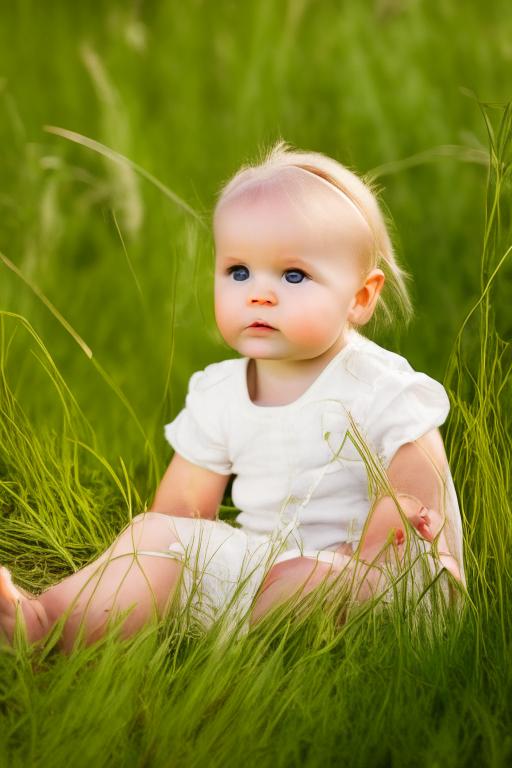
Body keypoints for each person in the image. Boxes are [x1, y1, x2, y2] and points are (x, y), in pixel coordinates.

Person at [0, 142, 465, 652]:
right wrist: (168, 554)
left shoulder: (381, 387)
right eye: (238, 272)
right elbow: (181, 515)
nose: (258, 294)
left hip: (378, 584)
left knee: (306, 582)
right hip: (266, 568)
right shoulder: (221, 392)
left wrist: (390, 528)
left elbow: (420, 503)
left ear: (359, 298)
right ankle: (45, 628)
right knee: (152, 538)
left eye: (293, 275)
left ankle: (267, 647)